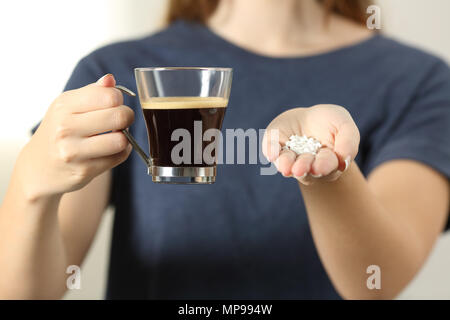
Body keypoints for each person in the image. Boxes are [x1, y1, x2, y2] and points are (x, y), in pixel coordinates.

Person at [0, 0, 449, 299]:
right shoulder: (114, 70)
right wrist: (31, 186)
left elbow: (377, 281)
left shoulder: (419, 81)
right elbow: (30, 292)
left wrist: (322, 168)